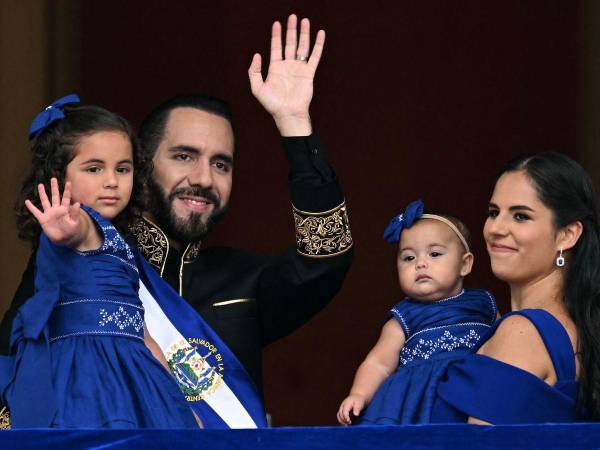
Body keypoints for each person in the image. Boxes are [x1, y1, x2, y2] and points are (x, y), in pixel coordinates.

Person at [0, 14, 352, 418]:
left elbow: (327, 257)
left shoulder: (244, 280)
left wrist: (295, 125)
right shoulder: (78, 257)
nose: (203, 178)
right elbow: (13, 369)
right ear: (142, 166)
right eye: (184, 156)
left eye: (221, 164)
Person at [0, 97, 198, 428]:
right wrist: (63, 228)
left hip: (135, 374)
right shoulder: (80, 222)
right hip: (87, 379)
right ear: (59, 178)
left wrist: (179, 401)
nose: (111, 181)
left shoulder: (121, 244)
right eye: (94, 168)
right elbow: (74, 231)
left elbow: (143, 333)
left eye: (123, 168)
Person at [432, 152, 599, 423]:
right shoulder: (578, 329)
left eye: (520, 216)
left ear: (567, 235)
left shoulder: (524, 332)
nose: (496, 228)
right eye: (493, 212)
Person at [337, 200, 497, 425]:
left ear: (465, 264)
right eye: (409, 258)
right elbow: (379, 363)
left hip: (471, 393)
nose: (420, 263)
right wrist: (359, 395)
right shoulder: (404, 315)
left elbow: (504, 348)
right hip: (416, 403)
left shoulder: (484, 303)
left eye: (434, 254)